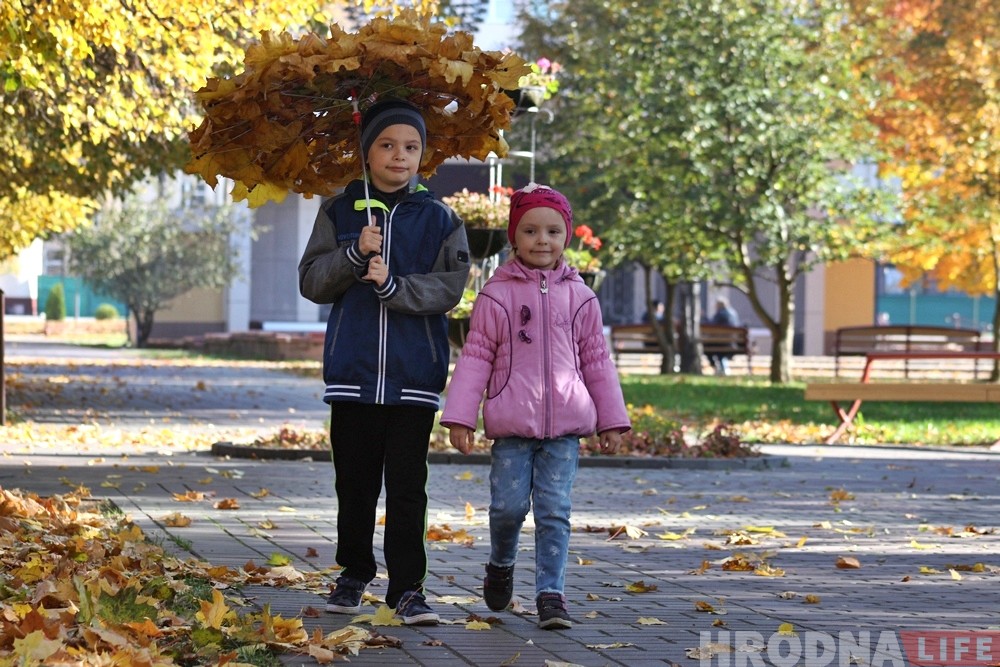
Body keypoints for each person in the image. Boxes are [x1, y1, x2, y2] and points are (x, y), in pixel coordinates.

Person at [298, 98, 471, 626]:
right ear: (367, 151)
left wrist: (393, 285)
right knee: (353, 481)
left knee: (406, 486)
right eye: (388, 145)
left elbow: (449, 289)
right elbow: (311, 281)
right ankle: (353, 572)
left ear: (423, 154)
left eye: (411, 147)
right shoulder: (340, 209)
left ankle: (407, 588)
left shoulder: (441, 219)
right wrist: (354, 256)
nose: (400, 156)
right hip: (352, 377)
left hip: (412, 378)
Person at [440, 183, 631, 630]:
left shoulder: (581, 297)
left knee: (553, 511)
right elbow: (476, 356)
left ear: (565, 237)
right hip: (512, 427)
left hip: (565, 428)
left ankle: (551, 594)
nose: (541, 240)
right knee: (507, 508)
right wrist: (461, 416)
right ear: (514, 238)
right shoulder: (496, 294)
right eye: (530, 231)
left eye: (552, 231)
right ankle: (501, 563)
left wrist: (612, 420)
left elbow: (596, 361)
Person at [705, 295, 740, 375]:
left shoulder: (720, 314)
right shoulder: (733, 313)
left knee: (706, 347)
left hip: (722, 343)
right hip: (732, 343)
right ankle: (722, 367)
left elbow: (711, 326)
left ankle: (716, 366)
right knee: (717, 349)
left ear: (718, 305)